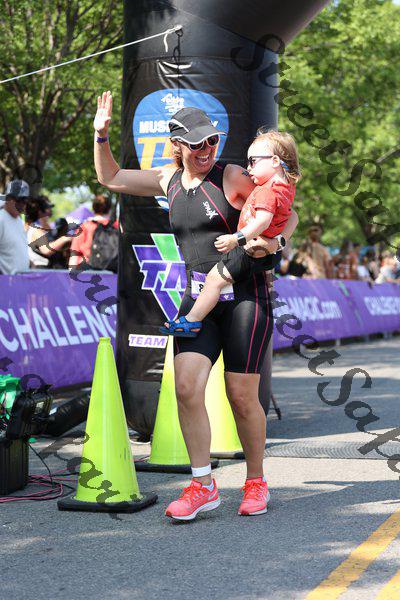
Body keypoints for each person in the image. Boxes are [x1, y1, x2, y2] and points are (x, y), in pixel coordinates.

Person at [94, 91, 299, 520]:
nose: (206, 149)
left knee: (241, 395)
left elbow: (286, 210)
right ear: (177, 145)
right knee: (186, 388)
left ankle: (256, 481)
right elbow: (110, 177)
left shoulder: (232, 176)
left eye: (212, 141)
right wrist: (101, 136)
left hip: (245, 295)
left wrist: (276, 241)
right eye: (196, 143)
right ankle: (203, 484)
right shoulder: (167, 179)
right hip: (198, 297)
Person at [160, 130, 300, 336]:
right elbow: (289, 217)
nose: (248, 168)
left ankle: (191, 320)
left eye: (253, 161)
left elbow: (262, 221)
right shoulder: (285, 188)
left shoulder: (266, 191)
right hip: (260, 253)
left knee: (213, 280)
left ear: (275, 161)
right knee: (217, 281)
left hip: (247, 251)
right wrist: (276, 243)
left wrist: (236, 238)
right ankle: (193, 319)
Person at [68, 194, 118, 269]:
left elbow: (74, 254)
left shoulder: (84, 227)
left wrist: (71, 273)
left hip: (87, 269)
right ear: (110, 209)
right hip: (112, 269)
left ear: (93, 208)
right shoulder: (116, 226)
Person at [25, 196, 72, 269]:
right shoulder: (36, 230)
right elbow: (46, 250)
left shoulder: (42, 228)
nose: (50, 210)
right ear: (40, 212)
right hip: (40, 269)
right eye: (48, 207)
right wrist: (64, 239)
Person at [0, 180, 30, 274]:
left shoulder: (19, 221)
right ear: (8, 199)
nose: (21, 204)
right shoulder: (1, 219)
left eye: (24, 201)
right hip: (5, 280)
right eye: (18, 200)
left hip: (21, 279)